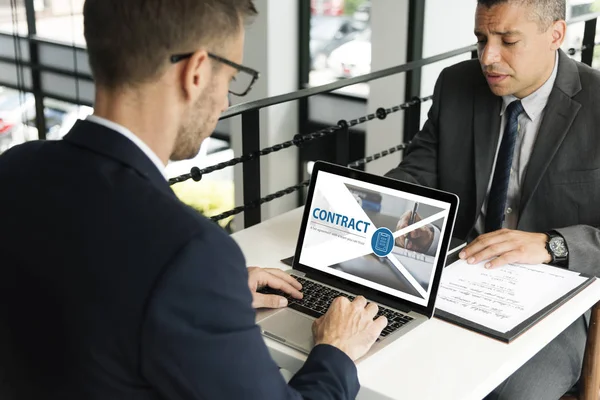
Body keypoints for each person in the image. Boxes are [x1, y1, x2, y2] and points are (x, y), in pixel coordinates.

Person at [0, 1, 388, 399]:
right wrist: (336, 350)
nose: (227, 102)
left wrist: (210, 299)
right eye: (231, 80)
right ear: (196, 72)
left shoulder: (15, 169)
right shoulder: (189, 252)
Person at [386, 0, 600, 398]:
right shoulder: (456, 84)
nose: (488, 57)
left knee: (507, 392)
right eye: (481, 39)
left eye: (508, 40)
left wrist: (551, 244)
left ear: (556, 34)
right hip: (459, 270)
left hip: (558, 296)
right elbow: (418, 170)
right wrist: (387, 205)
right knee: (384, 356)